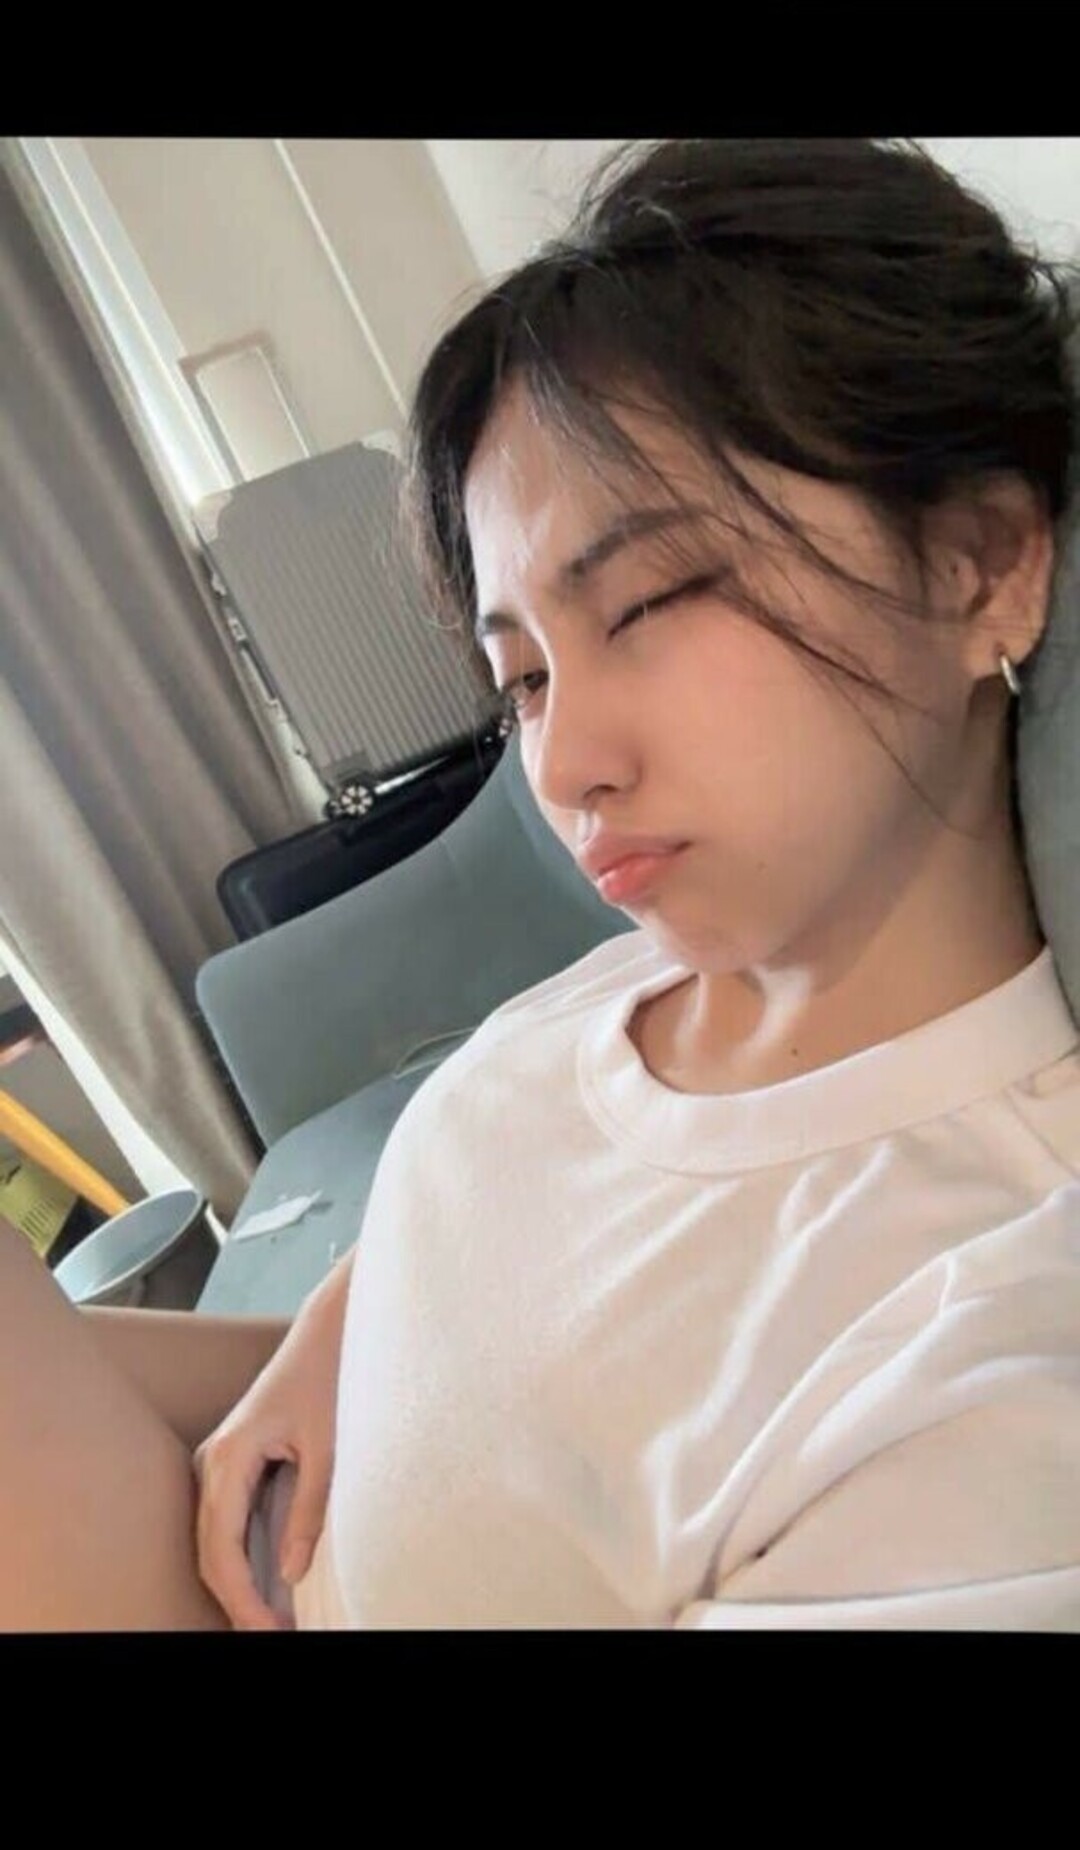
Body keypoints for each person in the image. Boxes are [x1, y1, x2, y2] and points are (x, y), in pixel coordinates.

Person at [3, 137, 1078, 1629]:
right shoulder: (646, 977)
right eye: (523, 679)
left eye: (644, 600)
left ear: (981, 566)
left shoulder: (995, 1331)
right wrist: (334, 1323)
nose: (562, 763)